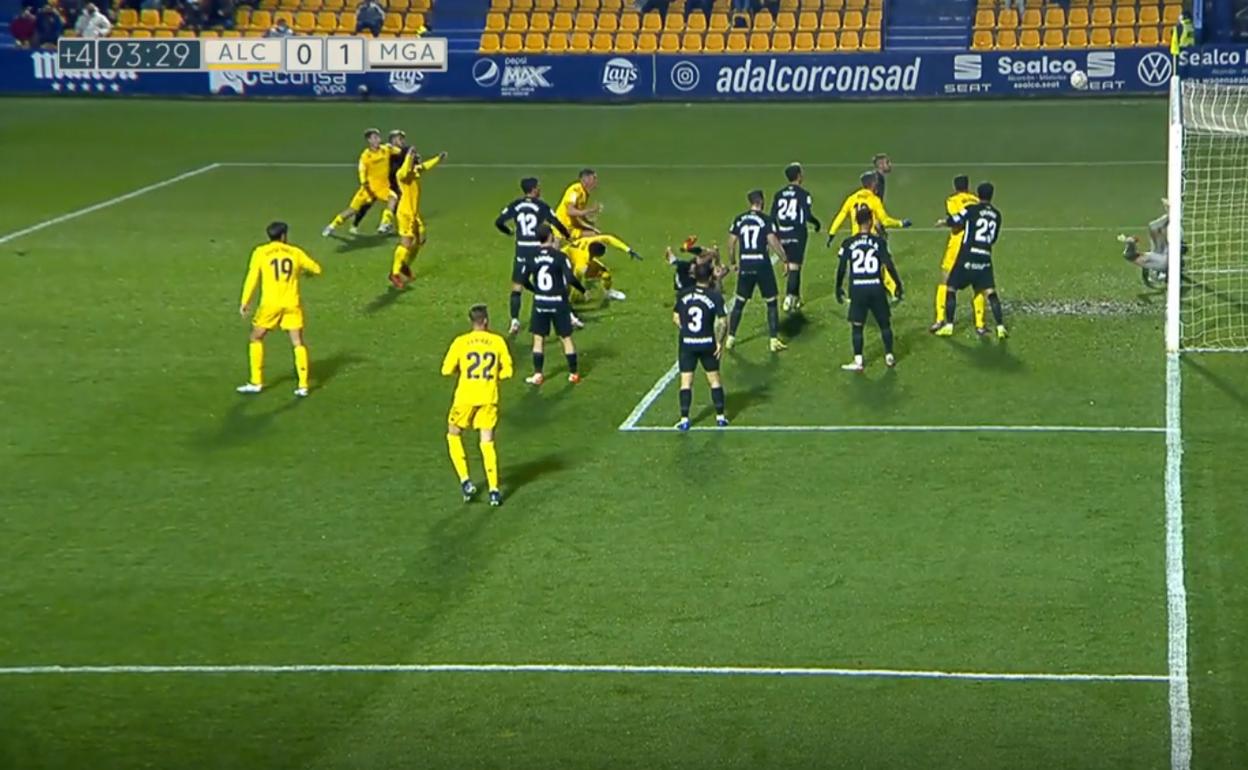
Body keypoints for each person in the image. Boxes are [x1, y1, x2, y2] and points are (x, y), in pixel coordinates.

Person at [236, 222, 322, 397]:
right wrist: (306, 273)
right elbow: (316, 269)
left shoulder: (260, 252)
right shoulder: (295, 252)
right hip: (292, 303)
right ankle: (303, 385)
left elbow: (252, 278)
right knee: (297, 342)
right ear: (283, 236)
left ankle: (256, 382)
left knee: (256, 338)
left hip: (270, 304)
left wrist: (245, 301)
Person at [441, 304, 513, 507]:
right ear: (486, 321)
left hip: (465, 396)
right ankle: (494, 491)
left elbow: (446, 370)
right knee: (487, 441)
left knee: (453, 434)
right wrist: (493, 377)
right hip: (489, 396)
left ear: (471, 321)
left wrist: (462, 371)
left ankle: (465, 481)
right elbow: (508, 372)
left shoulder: (461, 342)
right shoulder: (498, 341)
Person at [495, 177, 570, 336]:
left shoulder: (516, 205)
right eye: (538, 187)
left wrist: (508, 231)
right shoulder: (541, 206)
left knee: (517, 287)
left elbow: (499, 222)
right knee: (551, 282)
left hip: (522, 250)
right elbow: (556, 222)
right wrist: (567, 235)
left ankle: (514, 321)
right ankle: (568, 316)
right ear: (534, 189)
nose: (540, 189)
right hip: (537, 249)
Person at [934, 182, 1008, 339]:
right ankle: (1000, 327)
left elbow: (956, 220)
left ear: (978, 195)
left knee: (950, 287)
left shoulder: (971, 209)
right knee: (989, 292)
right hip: (985, 256)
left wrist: (944, 222)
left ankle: (949, 325)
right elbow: (993, 238)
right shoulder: (997, 214)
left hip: (968, 255)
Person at [836, 206, 901, 371]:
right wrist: (897, 284)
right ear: (871, 222)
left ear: (856, 222)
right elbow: (889, 264)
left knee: (857, 326)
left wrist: (838, 287)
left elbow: (842, 267)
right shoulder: (879, 242)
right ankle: (889, 356)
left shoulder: (848, 243)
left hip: (858, 289)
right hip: (876, 287)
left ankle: (858, 361)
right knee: (884, 324)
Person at [726, 189, 790, 352]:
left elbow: (731, 242)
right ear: (761, 201)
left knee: (740, 301)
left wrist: (733, 262)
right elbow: (772, 241)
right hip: (762, 265)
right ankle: (773, 340)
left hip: (746, 264)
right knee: (771, 301)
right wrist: (784, 259)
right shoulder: (766, 220)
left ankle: (730, 338)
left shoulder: (739, 219)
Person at [523, 223, 585, 386]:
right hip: (558, 302)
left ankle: (538, 374)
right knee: (566, 338)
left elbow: (523, 280)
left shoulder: (531, 256)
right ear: (551, 236)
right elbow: (570, 278)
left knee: (538, 339)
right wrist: (583, 290)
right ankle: (573, 373)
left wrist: (536, 290)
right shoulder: (560, 257)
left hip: (540, 302)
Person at [674, 261, 729, 431]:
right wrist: (719, 342)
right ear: (710, 276)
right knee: (714, 380)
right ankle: (720, 417)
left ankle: (684, 419)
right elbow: (723, 322)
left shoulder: (683, 294)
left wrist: (686, 330)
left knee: (686, 382)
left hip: (687, 344)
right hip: (707, 343)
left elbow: (675, 317)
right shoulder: (715, 296)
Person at [930, 175, 987, 333]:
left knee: (945, 280)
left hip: (958, 244)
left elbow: (958, 222)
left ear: (955, 187)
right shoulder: (976, 200)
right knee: (978, 284)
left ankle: (940, 319)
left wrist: (945, 222)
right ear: (967, 186)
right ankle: (980, 324)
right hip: (976, 244)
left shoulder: (952, 200)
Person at [322, 128, 402, 238]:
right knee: (352, 210)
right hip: (368, 188)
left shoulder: (386, 149)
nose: (377, 140)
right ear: (369, 140)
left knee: (393, 198)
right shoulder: (365, 156)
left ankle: (384, 223)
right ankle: (332, 226)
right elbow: (362, 170)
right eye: (374, 138)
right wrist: (365, 184)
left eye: (378, 137)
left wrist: (409, 152)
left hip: (382, 187)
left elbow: (401, 152)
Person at [388, 146, 445, 289]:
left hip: (414, 213)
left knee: (420, 240)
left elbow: (425, 166)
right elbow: (405, 170)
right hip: (405, 213)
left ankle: (404, 265)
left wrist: (438, 158)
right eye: (415, 156)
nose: (418, 158)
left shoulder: (415, 170)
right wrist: (409, 156)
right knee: (406, 242)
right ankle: (394, 273)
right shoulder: (402, 174)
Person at [770, 162, 822, 312]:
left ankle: (797, 298)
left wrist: (776, 234)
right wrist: (817, 223)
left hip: (782, 232)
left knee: (793, 265)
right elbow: (807, 215)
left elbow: (772, 216)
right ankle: (789, 298)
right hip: (797, 233)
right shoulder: (803, 194)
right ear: (799, 176)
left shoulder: (779, 194)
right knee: (794, 267)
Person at [352, 129, 407, 235]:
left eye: (401, 139)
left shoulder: (398, 151)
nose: (401, 141)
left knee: (396, 203)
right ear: (393, 139)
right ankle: (355, 224)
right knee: (367, 205)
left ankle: (387, 224)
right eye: (399, 139)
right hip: (380, 183)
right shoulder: (387, 149)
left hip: (392, 182)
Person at [564, 232, 641, 303]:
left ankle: (608, 293)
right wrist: (571, 299)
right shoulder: (583, 261)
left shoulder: (590, 241)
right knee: (569, 285)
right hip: (564, 263)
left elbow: (609, 238)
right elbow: (576, 279)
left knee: (605, 274)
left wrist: (627, 249)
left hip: (569, 257)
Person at [1117, 200, 1178, 286]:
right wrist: (1129, 242)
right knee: (1156, 229)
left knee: (1153, 227)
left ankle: (1171, 213)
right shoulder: (1142, 259)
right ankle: (1172, 213)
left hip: (1161, 254)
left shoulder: (1142, 258)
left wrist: (1130, 242)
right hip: (1166, 259)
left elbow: (1144, 269)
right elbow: (1131, 250)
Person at [554, 168, 601, 242]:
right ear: (586, 180)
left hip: (570, 226)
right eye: (594, 178)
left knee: (594, 234)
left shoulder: (584, 193)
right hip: (563, 227)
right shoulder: (575, 190)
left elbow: (578, 213)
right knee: (594, 236)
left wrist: (589, 222)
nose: (596, 181)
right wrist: (589, 210)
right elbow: (570, 211)